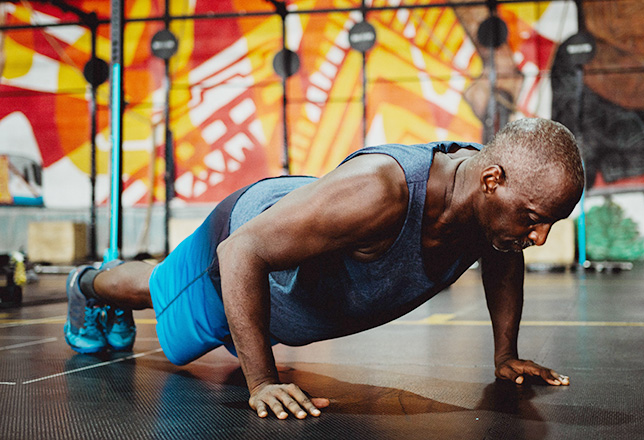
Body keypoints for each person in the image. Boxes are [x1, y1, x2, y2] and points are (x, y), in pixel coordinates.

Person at [64, 118, 584, 420]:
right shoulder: (384, 189)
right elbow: (241, 253)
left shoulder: (490, 209)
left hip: (281, 280)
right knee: (158, 292)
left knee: (176, 301)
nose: (539, 238)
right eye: (535, 220)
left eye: (550, 224)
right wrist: (262, 381)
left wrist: (506, 354)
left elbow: (502, 259)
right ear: (491, 179)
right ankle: (88, 285)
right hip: (238, 254)